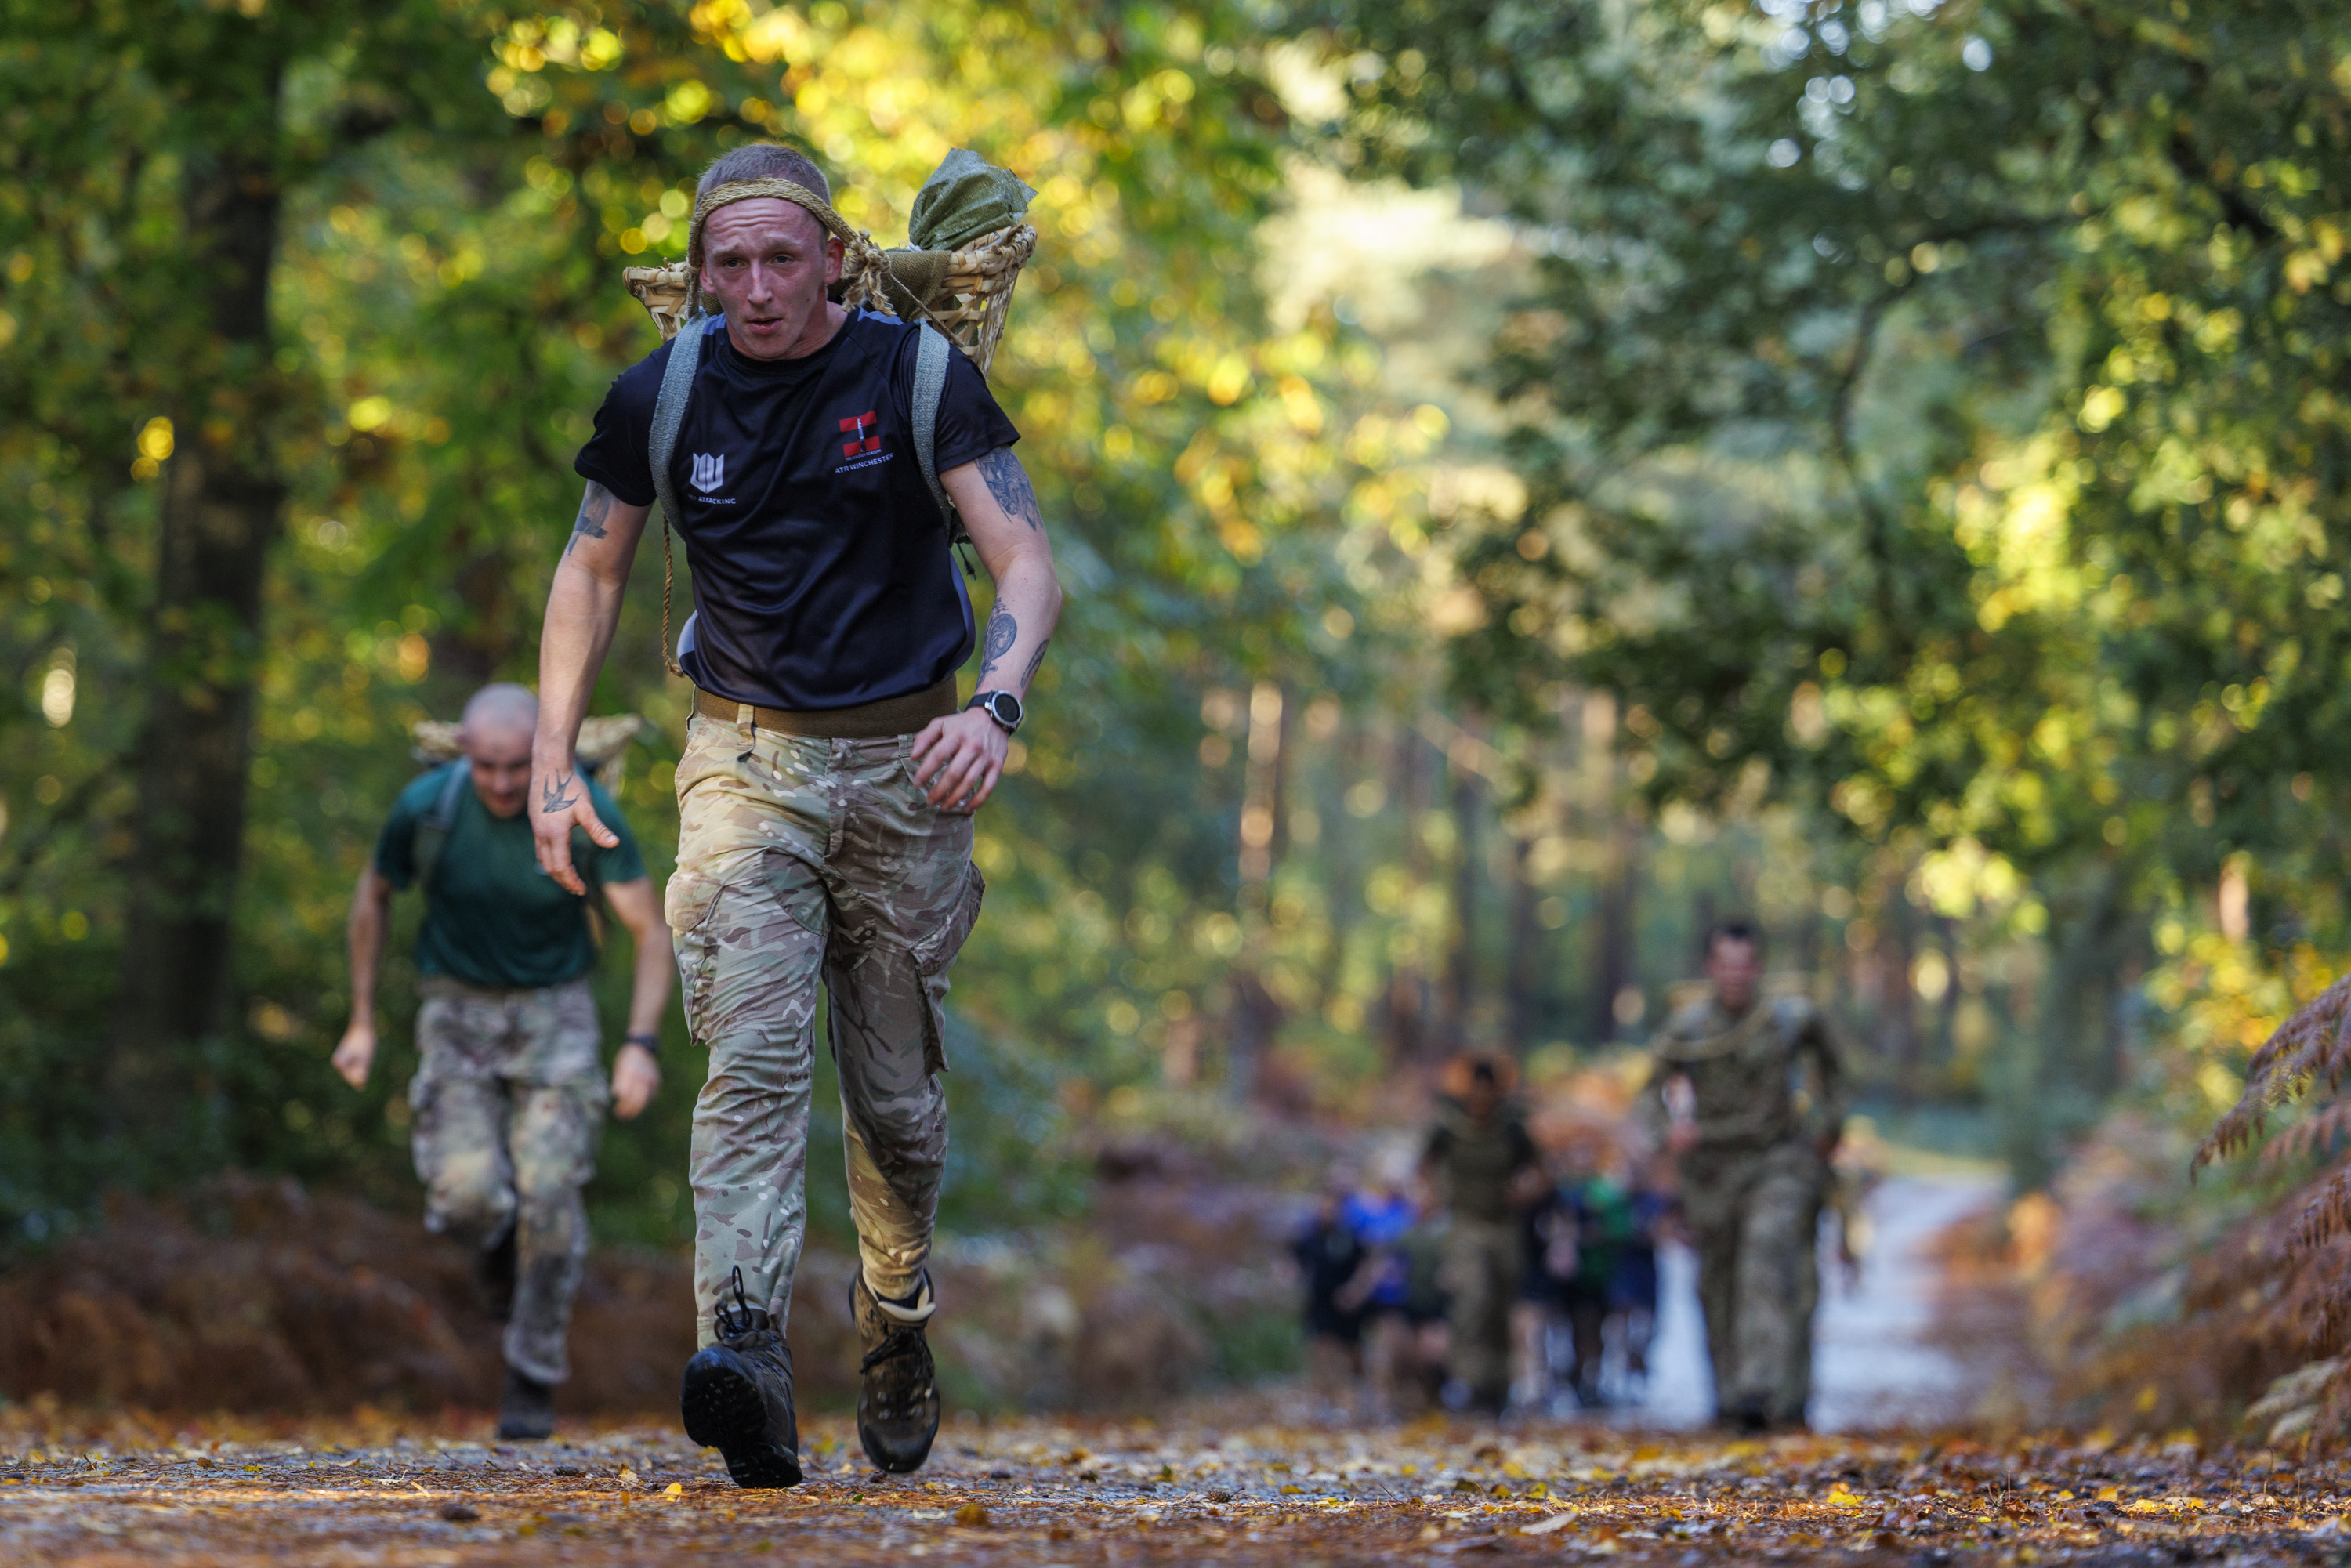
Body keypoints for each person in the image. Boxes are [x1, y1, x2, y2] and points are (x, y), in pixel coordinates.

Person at [530, 142, 1062, 1487]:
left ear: (833, 254)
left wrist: (991, 708)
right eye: (730, 263)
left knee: (897, 1107)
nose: (757, 287)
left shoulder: (919, 377)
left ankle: (894, 1313)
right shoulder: (667, 392)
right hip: (745, 764)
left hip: (910, 768)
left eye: (782, 257)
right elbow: (590, 572)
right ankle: (746, 1350)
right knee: (754, 1064)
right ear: (699, 275)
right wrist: (551, 764)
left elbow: (1024, 561)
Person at [333, 683, 671, 1440]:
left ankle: (532, 1372)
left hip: (556, 1014)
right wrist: (361, 1019)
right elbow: (373, 898)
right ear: (463, 754)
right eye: (486, 766)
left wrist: (640, 1046)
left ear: (541, 754)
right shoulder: (427, 808)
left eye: (517, 766)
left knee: (551, 1191)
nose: (502, 782)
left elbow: (650, 930)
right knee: (467, 1196)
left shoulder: (584, 809)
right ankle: (491, 1248)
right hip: (456, 1014)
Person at [1643, 918, 1846, 1432]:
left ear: (1758, 966)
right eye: (1724, 964)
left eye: (1745, 964)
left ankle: (1766, 1388)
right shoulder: (1687, 1027)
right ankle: (1731, 1394)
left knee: (1767, 1255)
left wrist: (1828, 1124)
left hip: (1778, 1159)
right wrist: (1669, 1129)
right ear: (1712, 967)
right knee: (1718, 1279)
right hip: (1713, 1169)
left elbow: (1835, 1067)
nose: (1735, 975)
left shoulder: (1789, 1018)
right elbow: (1648, 1091)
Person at [1422, 1054, 1544, 1413]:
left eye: (1488, 1092)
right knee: (1472, 1297)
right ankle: (1468, 1379)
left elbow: (1542, 1171)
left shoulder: (1512, 1130)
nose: (1481, 1100)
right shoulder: (1448, 1127)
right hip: (1466, 1224)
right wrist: (1433, 1195)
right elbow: (1424, 1166)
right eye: (1476, 1091)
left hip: (1504, 1226)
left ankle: (1498, 1385)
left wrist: (1525, 1191)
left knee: (1500, 1305)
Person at [1292, 1186, 1368, 1414]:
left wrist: (1356, 1290)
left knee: (1351, 1352)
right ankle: (1325, 1400)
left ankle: (1356, 1396)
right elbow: (1295, 1264)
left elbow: (1366, 1265)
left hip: (1346, 1303)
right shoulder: (1307, 1237)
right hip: (1319, 1302)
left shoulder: (1349, 1237)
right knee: (1321, 1348)